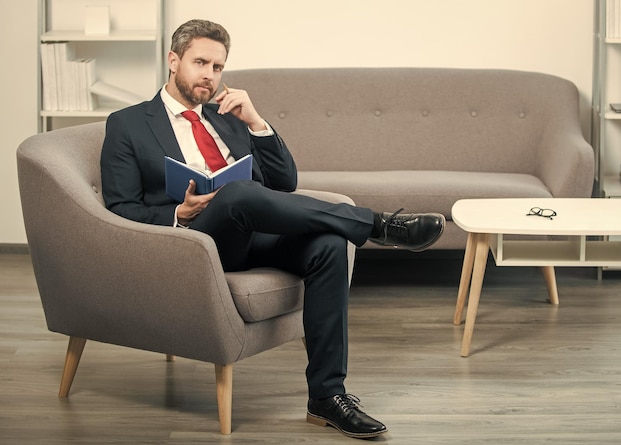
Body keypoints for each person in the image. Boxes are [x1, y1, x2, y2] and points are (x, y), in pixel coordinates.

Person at [100, 19, 445, 440]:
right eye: (200, 62)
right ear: (173, 61)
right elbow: (120, 208)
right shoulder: (128, 124)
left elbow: (285, 184)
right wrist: (180, 212)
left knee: (330, 244)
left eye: (218, 66)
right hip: (195, 243)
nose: (209, 75)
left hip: (253, 232)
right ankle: (379, 225)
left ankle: (327, 396)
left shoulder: (227, 116)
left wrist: (257, 122)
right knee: (238, 193)